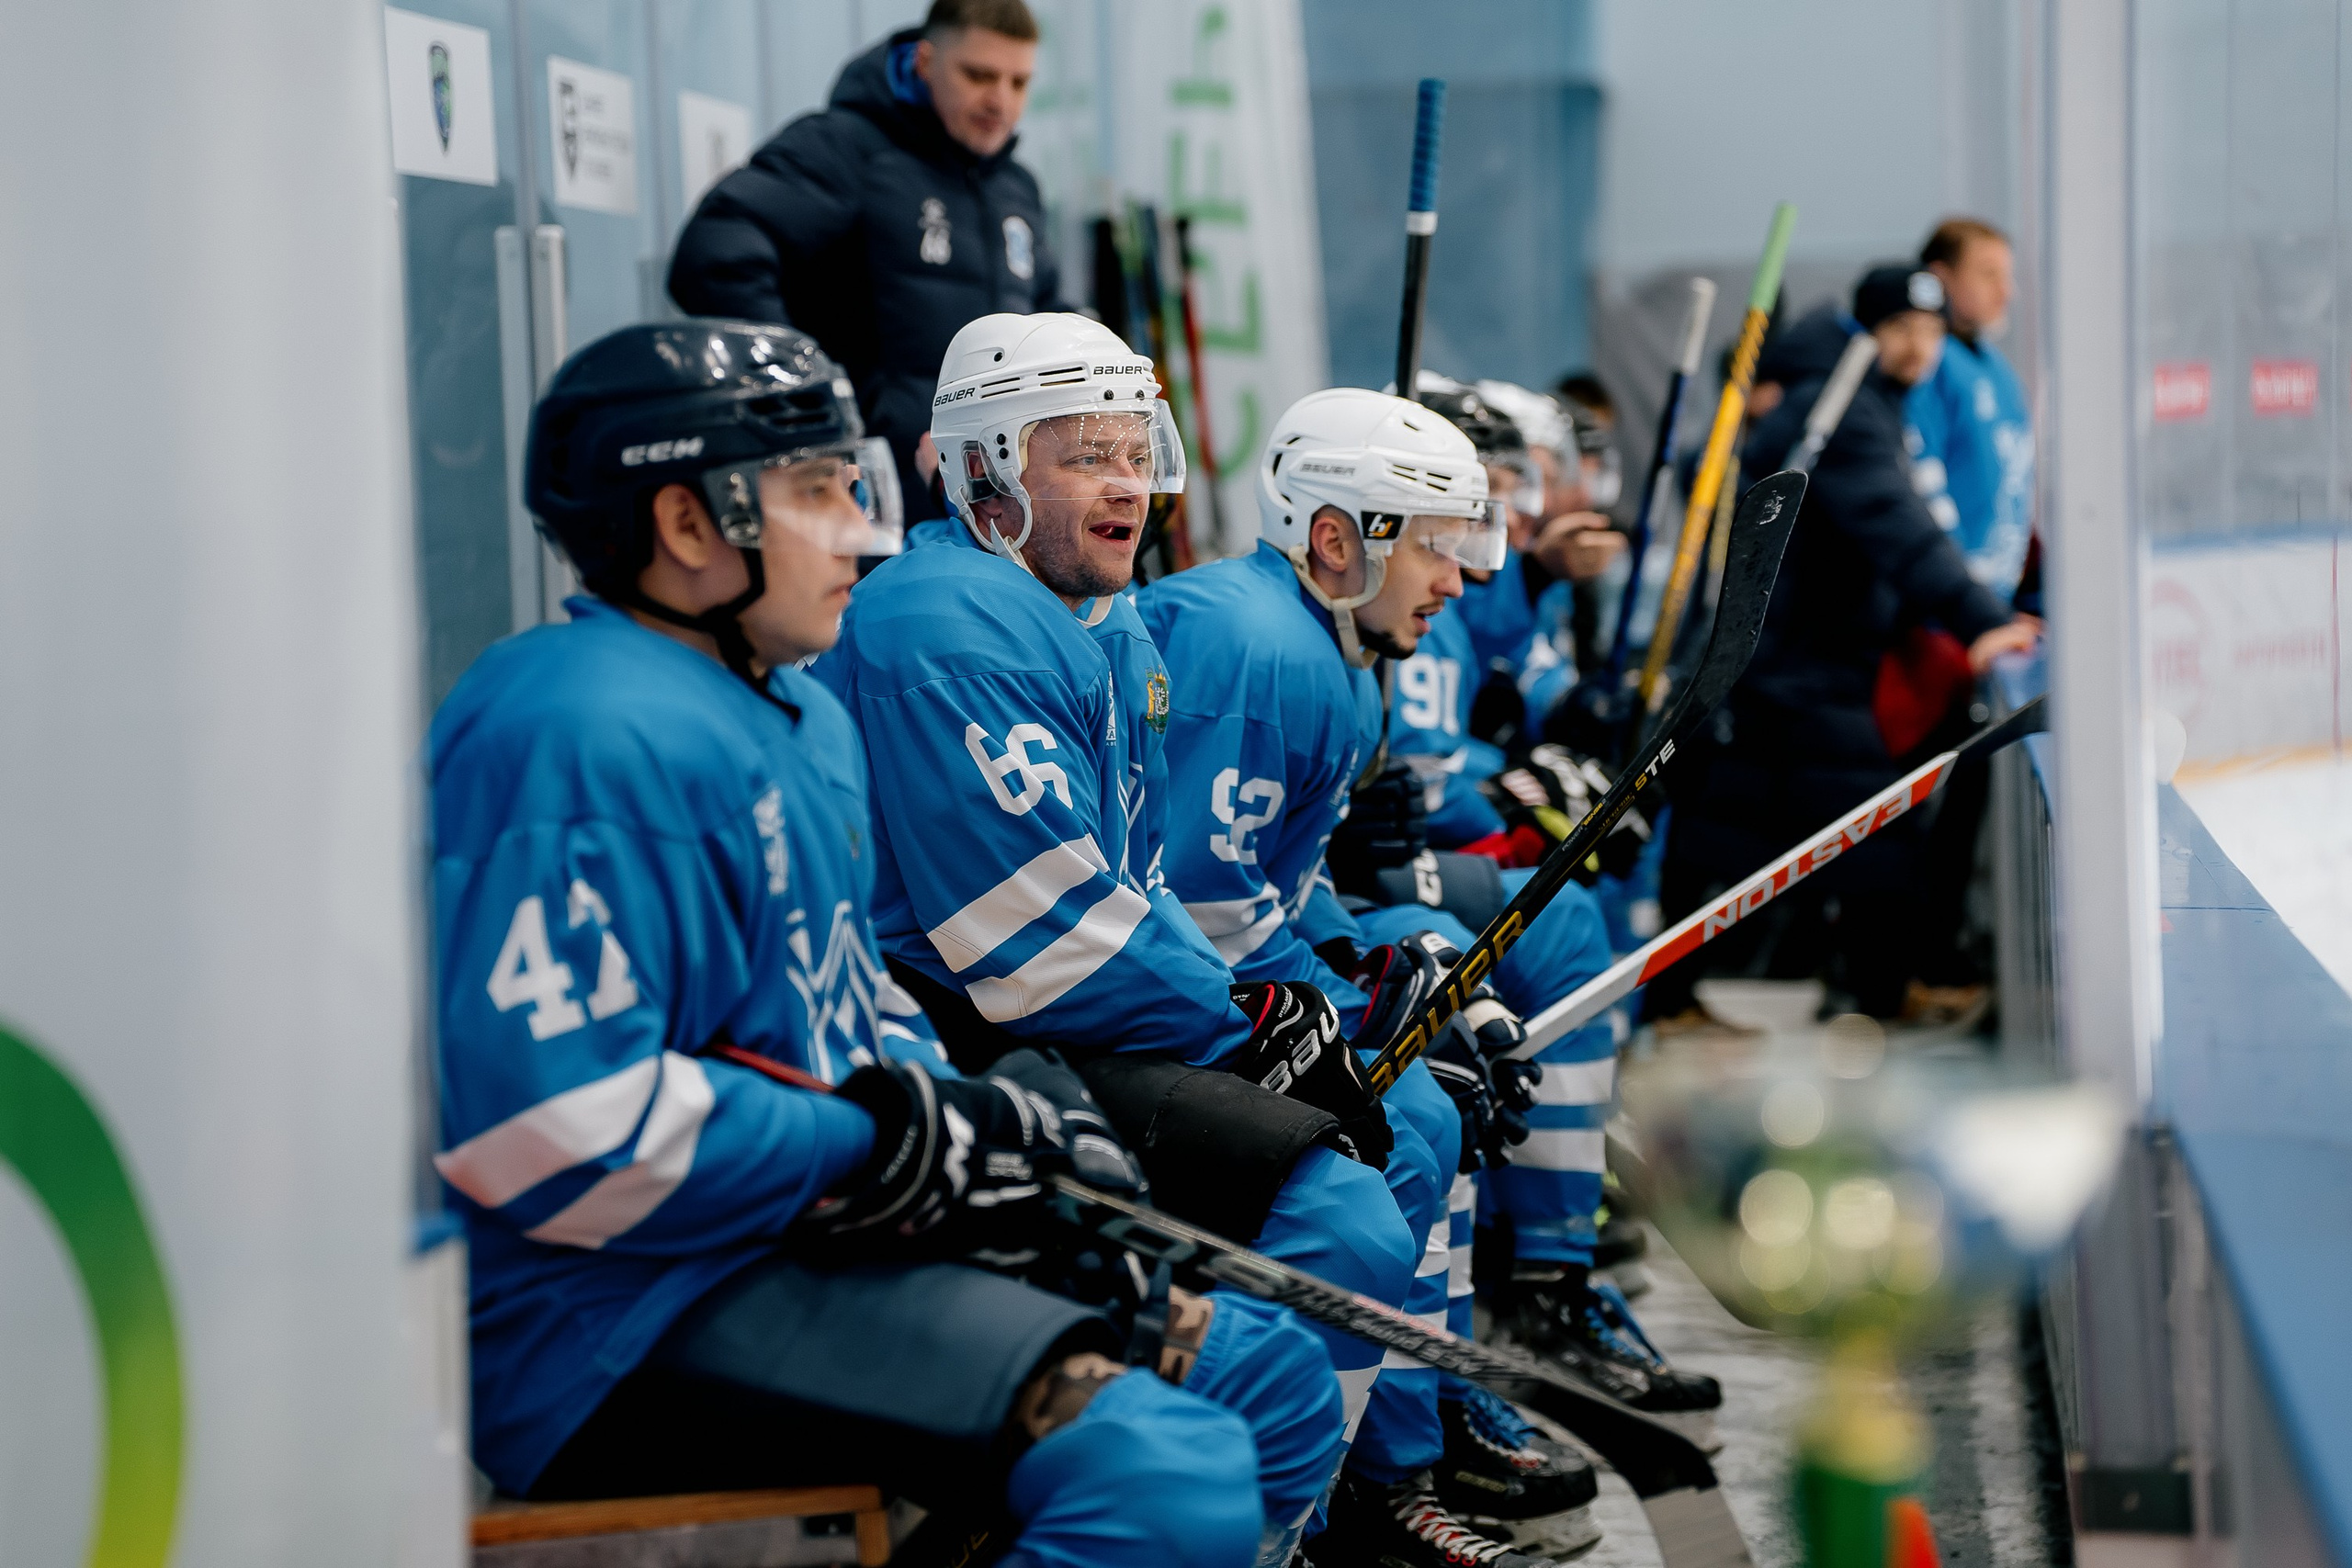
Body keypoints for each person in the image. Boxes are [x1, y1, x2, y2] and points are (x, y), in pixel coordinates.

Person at [433, 318, 1344, 1566]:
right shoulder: (571, 729)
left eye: (854, 481)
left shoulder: (796, 707)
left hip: (789, 1242)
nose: (862, 523)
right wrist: (882, 1139)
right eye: (816, 492)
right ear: (687, 526)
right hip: (614, 1320)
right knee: (1158, 1469)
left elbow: (846, 997)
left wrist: (989, 1115)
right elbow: (552, 1131)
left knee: (1271, 1373)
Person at [815, 311, 1431, 1563]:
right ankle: (1272, 1518)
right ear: (984, 466)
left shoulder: (1115, 624)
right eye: (1082, 455)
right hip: (975, 1032)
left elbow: (1142, 881)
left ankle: (1311, 1500)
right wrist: (1244, 1022)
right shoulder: (943, 618)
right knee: (1343, 1216)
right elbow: (1036, 941)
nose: (1129, 482)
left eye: (1135, 446)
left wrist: (1298, 998)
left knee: (1393, 1135)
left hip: (1063, 1018)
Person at [1137, 389, 1605, 1567]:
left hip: (1231, 981)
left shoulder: (1334, 654)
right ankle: (1345, 1494)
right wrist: (1348, 999)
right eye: (1437, 546)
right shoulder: (1249, 646)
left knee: (1434, 1095)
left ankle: (1398, 1451)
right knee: (1399, 1125)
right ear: (1336, 540)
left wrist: (1391, 966)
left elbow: (1275, 894)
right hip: (1143, 1013)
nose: (1460, 580)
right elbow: (1181, 908)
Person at [1653, 266, 2041, 1021]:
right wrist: (1981, 620)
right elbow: (1901, 532)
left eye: (1931, 333)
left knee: (1779, 834)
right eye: (1903, 331)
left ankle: (1729, 998)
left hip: (1802, 662)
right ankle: (1856, 995)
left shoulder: (1857, 402)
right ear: (1867, 334)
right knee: (1860, 833)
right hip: (1794, 665)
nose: (1919, 348)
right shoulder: (1839, 412)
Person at [668, 0, 1060, 519]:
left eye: (1018, 82)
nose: (1000, 101)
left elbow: (1048, 314)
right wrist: (809, 397)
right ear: (924, 62)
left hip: (992, 507)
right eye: (979, 75)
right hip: (868, 506)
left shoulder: (1016, 188)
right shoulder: (846, 150)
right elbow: (715, 254)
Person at [1909, 218, 2034, 602]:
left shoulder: (1997, 367)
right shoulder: (1927, 364)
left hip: (1999, 599)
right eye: (1988, 275)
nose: (2006, 292)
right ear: (1941, 277)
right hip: (1949, 608)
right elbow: (1920, 480)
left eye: (2007, 276)